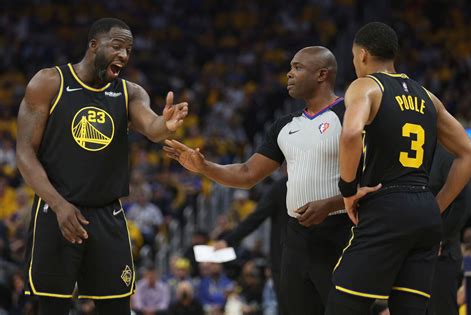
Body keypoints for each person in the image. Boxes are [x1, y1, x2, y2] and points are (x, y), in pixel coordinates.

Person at [164, 46, 364, 315]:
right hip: (295, 239)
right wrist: (204, 167)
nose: (289, 74)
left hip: (340, 233)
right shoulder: (284, 125)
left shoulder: (350, 115)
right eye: (290, 67)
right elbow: (247, 175)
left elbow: (373, 181)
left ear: (322, 75)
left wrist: (330, 204)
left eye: (297, 67)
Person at [16, 18, 188, 315]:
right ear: (94, 45)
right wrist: (58, 205)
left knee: (117, 308)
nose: (124, 55)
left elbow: (152, 127)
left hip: (107, 214)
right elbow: (24, 154)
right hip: (56, 210)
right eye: (117, 46)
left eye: (129, 50)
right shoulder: (48, 82)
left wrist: (165, 125)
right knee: (52, 308)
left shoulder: (130, 92)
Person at [329, 22, 471, 315]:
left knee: (342, 303)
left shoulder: (366, 85)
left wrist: (348, 191)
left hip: (386, 206)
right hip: (425, 214)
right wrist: (437, 205)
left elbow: (350, 133)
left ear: (364, 55)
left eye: (355, 58)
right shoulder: (427, 97)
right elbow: (469, 153)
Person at [213, 176, 287, 311]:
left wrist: (228, 240)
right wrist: (228, 240)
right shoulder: (281, 187)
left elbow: (255, 218)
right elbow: (254, 218)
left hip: (293, 258)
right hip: (283, 258)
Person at [427, 145, 471, 315]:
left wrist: (440, 237)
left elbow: (465, 204)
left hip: (443, 254)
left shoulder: (449, 156)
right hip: (411, 252)